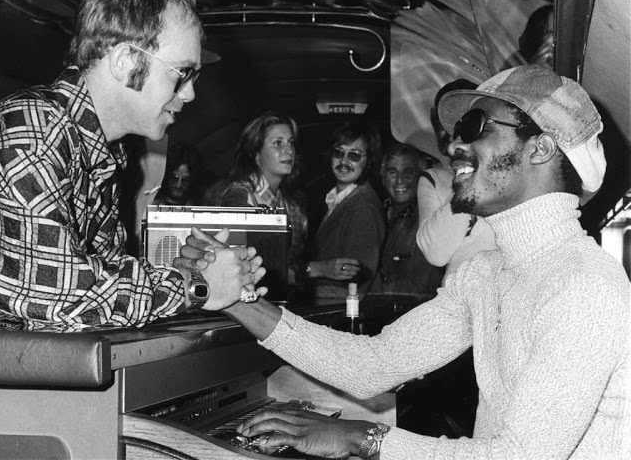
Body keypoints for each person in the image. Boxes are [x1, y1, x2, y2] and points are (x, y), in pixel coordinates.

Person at [180, 65, 630, 459]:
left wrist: (362, 437)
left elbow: (519, 456)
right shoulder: (486, 273)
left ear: (542, 148)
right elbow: (372, 364)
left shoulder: (585, 284)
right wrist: (234, 299)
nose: (454, 144)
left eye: (475, 125)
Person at [0, 0, 264, 332]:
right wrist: (196, 288)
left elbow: (103, 280)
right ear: (125, 62)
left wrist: (185, 272)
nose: (190, 94)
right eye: (181, 73)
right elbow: (56, 294)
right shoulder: (32, 131)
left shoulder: (103, 153)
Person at [217, 111, 307, 286]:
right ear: (256, 153)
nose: (288, 150)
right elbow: (235, 263)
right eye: (277, 143)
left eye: (291, 143)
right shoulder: (240, 196)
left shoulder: (290, 203)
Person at [417, 79, 496, 280]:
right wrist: (466, 179)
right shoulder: (434, 179)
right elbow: (435, 253)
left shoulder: (505, 170)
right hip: (456, 299)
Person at [303, 122, 385, 301]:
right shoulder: (340, 199)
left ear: (369, 161)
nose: (344, 161)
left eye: (355, 155)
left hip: (336, 313)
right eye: (338, 152)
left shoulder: (364, 206)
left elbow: (357, 281)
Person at [380, 143, 442, 299]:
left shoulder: (425, 221)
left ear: (420, 177)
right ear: (383, 176)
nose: (400, 180)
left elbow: (422, 288)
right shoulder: (378, 212)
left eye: (408, 173)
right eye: (393, 172)